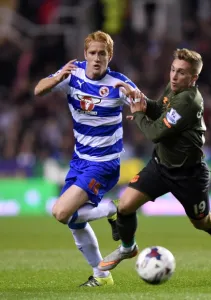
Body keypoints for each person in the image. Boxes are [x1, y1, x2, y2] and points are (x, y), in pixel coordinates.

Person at [98, 48, 211, 276]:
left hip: (189, 174)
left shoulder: (189, 100)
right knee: (125, 206)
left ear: (193, 78)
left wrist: (138, 114)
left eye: (182, 73)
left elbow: (156, 133)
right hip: (161, 165)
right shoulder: (175, 88)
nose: (174, 77)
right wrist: (141, 100)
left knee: (202, 222)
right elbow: (159, 109)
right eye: (173, 70)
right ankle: (128, 248)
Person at [34, 30, 137, 287]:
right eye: (92, 53)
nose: (97, 58)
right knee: (74, 223)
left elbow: (144, 104)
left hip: (104, 163)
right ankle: (101, 275)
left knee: (60, 212)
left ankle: (115, 209)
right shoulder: (73, 73)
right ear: (85, 54)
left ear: (109, 56)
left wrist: (137, 108)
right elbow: (38, 90)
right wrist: (59, 77)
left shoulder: (118, 83)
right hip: (80, 160)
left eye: (102, 53)